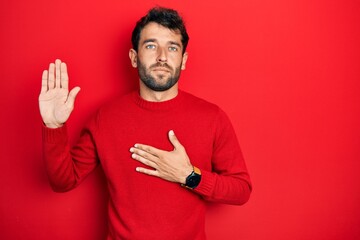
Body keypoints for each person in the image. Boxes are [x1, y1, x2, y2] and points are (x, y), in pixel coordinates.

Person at [39, 7, 252, 240]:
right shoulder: (106, 118)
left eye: (172, 47)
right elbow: (63, 181)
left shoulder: (212, 117)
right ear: (134, 57)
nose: (162, 56)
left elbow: (241, 190)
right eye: (151, 45)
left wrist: (190, 176)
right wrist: (53, 127)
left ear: (183, 60)